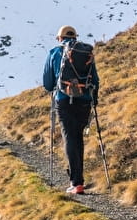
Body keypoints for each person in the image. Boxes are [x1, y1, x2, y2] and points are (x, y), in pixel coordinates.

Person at [41, 25, 100, 194]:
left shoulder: (54, 52)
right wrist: (93, 100)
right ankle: (78, 180)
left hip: (64, 100)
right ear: (75, 37)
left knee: (70, 137)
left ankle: (76, 183)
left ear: (60, 38)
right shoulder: (85, 52)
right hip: (85, 101)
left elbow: (47, 84)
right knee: (78, 137)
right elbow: (95, 79)